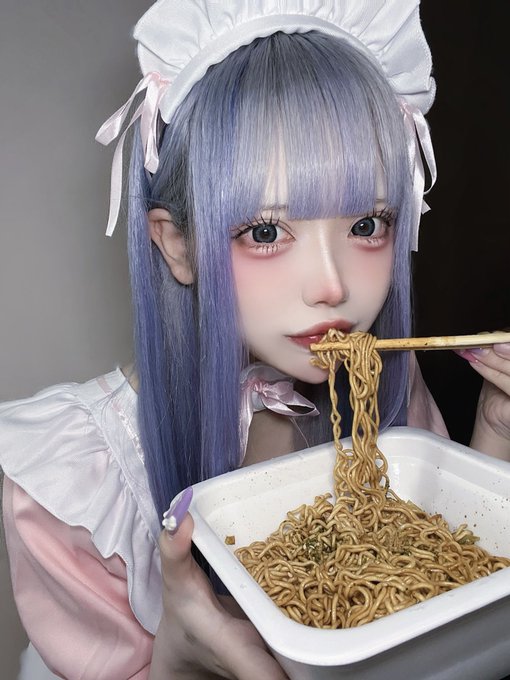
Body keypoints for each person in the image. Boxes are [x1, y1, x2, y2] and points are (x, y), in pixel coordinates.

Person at [1, 1, 510, 679]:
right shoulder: (70, 483)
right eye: (265, 232)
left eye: (367, 224)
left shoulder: (389, 386)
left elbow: (450, 588)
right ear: (177, 245)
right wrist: (179, 658)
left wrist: (495, 429)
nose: (332, 286)